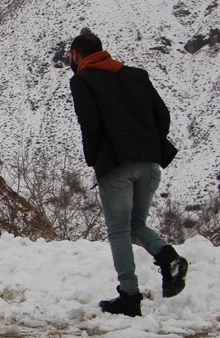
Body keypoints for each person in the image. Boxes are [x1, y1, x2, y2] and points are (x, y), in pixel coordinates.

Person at [69, 30, 189, 316]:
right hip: (150, 163)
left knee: (120, 230)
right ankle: (169, 258)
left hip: (117, 165)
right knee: (135, 226)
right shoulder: (137, 75)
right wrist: (148, 143)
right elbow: (162, 115)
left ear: (75, 54)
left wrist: (96, 159)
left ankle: (129, 295)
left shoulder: (83, 80)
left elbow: (91, 124)